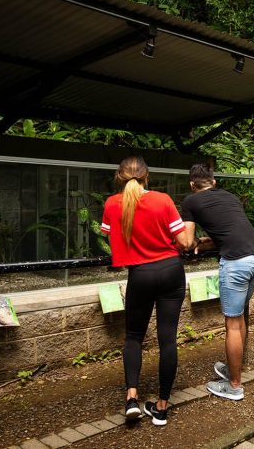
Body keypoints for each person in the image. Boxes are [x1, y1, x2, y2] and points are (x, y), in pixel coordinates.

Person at [100, 156, 191, 426]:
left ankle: (131, 399)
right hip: (171, 271)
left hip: (140, 274)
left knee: (133, 337)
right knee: (168, 339)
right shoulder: (162, 200)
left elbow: (111, 236)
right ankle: (161, 406)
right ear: (146, 176)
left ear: (119, 177)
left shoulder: (111, 204)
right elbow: (183, 240)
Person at [181, 164, 254, 401]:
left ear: (192, 184)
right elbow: (230, 230)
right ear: (214, 182)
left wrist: (196, 241)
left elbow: (187, 242)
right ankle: (233, 370)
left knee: (232, 324)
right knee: (238, 318)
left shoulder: (190, 201)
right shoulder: (230, 197)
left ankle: (234, 386)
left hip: (236, 264)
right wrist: (209, 241)